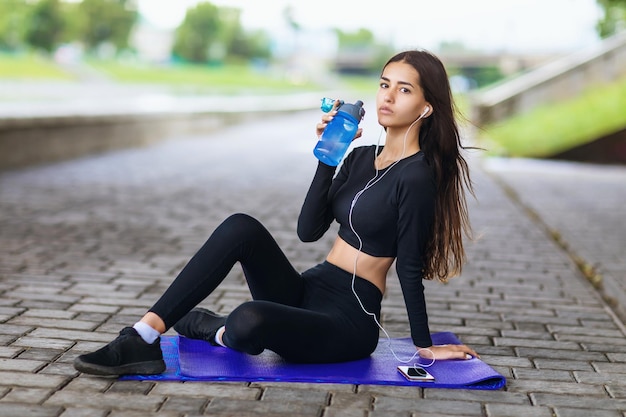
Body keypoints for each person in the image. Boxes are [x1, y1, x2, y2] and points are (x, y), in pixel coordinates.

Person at [73, 49, 479, 376]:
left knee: (249, 319)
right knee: (241, 227)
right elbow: (308, 230)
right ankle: (141, 338)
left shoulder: (417, 176)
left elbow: (408, 266)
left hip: (349, 319)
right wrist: (327, 156)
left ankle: (217, 329)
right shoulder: (358, 157)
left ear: (426, 108)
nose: (387, 97)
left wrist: (424, 345)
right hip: (311, 288)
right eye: (384, 84)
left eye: (404, 90)